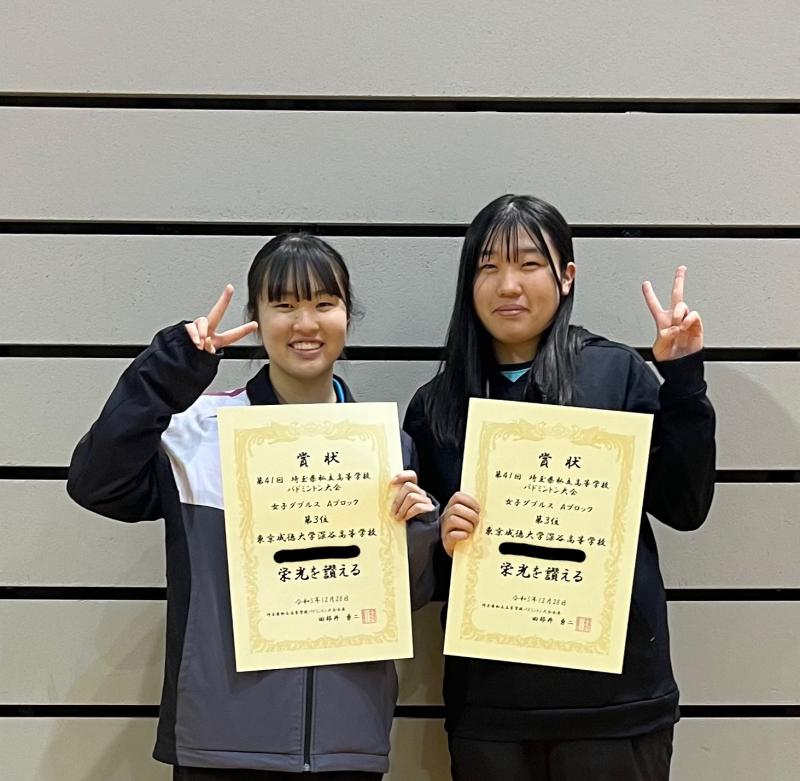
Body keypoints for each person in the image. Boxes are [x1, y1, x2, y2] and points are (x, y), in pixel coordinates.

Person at [67, 233, 440, 780]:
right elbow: (96, 484)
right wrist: (169, 371)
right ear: (256, 318)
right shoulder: (199, 432)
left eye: (324, 303)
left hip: (347, 745)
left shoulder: (387, 448)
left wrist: (419, 533)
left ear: (347, 316)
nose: (305, 323)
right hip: (220, 744)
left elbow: (406, 600)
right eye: (284, 305)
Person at [402, 194, 716, 781]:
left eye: (529, 264)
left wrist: (683, 381)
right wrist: (441, 534)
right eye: (488, 267)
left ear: (566, 277)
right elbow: (422, 568)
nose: (509, 285)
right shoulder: (437, 405)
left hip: (615, 703)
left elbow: (686, 505)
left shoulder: (615, 373)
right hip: (491, 708)